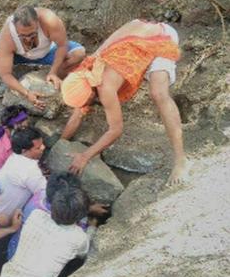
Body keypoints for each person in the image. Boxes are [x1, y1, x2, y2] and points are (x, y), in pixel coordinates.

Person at [61, 19, 189, 185]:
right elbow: (78, 113)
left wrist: (85, 156)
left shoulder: (104, 87)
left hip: (160, 38)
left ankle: (181, 160)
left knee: (158, 93)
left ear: (91, 92)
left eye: (89, 101)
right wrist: (60, 143)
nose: (88, 105)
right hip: (135, 37)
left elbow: (115, 130)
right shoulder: (84, 73)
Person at [0, 5, 85, 105]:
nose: (28, 39)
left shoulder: (49, 20)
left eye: (32, 34)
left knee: (79, 53)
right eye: (23, 36)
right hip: (18, 56)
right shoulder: (7, 34)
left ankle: (54, 78)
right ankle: (13, 81)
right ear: (15, 27)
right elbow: (5, 74)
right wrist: (26, 93)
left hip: (48, 52)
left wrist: (54, 72)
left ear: (38, 22)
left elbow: (62, 45)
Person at [0, 183, 94, 277]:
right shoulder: (78, 237)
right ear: (81, 216)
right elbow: (83, 253)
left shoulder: (36, 215)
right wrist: (92, 227)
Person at [6, 172, 108, 266]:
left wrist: (87, 208)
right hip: (38, 268)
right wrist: (92, 226)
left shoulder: (37, 206)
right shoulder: (76, 235)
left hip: (14, 253)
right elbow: (82, 252)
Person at [0, 126, 47, 272]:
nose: (43, 148)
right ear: (24, 151)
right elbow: (46, 194)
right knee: (4, 260)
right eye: (38, 147)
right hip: (0, 224)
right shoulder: (29, 170)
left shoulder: (14, 159)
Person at [0, 104, 29, 170]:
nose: (25, 133)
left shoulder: (29, 137)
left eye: (26, 128)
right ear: (6, 128)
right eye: (19, 130)